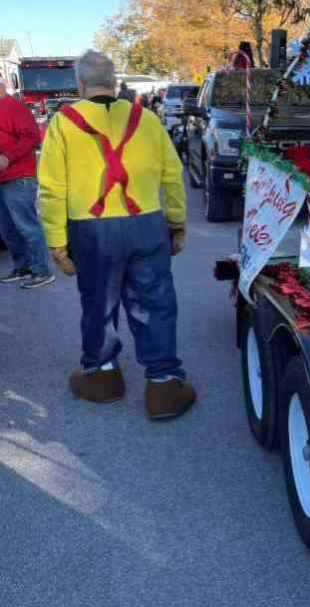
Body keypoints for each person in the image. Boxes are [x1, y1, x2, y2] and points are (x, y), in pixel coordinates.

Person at [38, 50, 196, 419]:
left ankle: (103, 376)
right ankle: (164, 385)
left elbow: (50, 189)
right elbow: (173, 176)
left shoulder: (64, 123)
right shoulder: (148, 119)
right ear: (114, 82)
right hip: (146, 224)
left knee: (98, 302)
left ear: (80, 84)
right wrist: (177, 224)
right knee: (155, 302)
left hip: (91, 230)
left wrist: (56, 241)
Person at [0, 81, 55, 288]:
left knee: (27, 226)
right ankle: (22, 267)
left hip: (18, 177)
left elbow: (32, 136)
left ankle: (42, 270)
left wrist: (7, 156)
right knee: (7, 230)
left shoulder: (14, 108)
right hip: (3, 179)